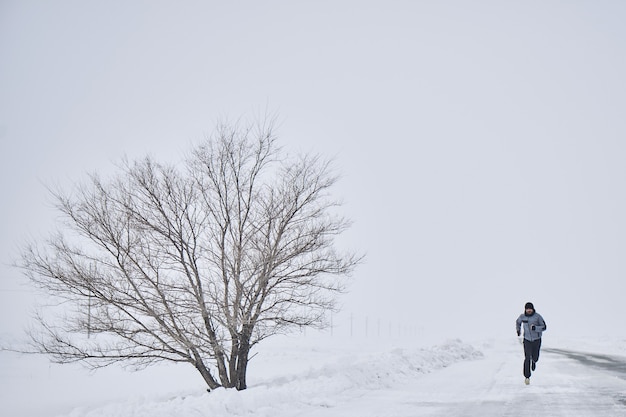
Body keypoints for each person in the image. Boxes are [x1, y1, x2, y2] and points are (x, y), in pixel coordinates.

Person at [515, 302, 547, 385]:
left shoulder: (537, 317)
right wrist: (518, 330)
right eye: (527, 309)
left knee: (535, 357)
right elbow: (518, 322)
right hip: (527, 340)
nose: (529, 310)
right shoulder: (522, 316)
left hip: (536, 340)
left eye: (530, 309)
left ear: (533, 309)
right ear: (525, 309)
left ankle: (534, 361)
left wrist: (535, 328)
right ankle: (527, 377)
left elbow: (544, 327)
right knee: (527, 357)